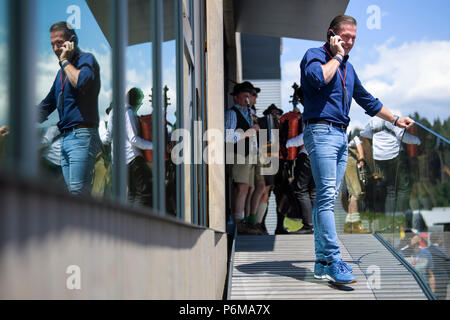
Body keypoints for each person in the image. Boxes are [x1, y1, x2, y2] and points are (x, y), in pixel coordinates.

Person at [300, 14, 414, 284]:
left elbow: (368, 101)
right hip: (321, 131)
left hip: (340, 135)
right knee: (326, 198)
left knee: (325, 199)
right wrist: (337, 56)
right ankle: (334, 259)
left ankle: (322, 262)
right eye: (345, 37)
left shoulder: (349, 70)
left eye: (353, 38)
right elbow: (317, 78)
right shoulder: (315, 55)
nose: (350, 42)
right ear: (333, 34)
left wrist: (396, 119)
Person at [38, 22, 101, 195]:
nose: (55, 48)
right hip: (66, 138)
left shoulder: (86, 59)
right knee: (73, 195)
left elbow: (81, 82)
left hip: (82, 136)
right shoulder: (60, 74)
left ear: (71, 41)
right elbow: (45, 107)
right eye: (52, 45)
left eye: (59, 43)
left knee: (78, 195)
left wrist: (65, 60)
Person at [102, 88, 154, 207]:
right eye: (140, 102)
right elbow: (134, 139)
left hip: (119, 161)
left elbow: (107, 138)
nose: (139, 105)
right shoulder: (127, 111)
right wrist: (153, 146)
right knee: (143, 193)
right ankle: (138, 222)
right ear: (136, 100)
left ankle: (131, 222)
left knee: (132, 193)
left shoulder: (112, 112)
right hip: (132, 158)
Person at [359, 117, 421, 216]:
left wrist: (378, 138)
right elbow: (403, 137)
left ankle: (390, 220)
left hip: (379, 158)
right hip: (394, 155)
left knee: (391, 189)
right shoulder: (394, 119)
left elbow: (363, 133)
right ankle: (400, 217)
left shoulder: (373, 122)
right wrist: (418, 141)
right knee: (403, 188)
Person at [225, 82, 261, 235]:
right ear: (236, 98)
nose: (248, 100)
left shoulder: (249, 113)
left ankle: (244, 221)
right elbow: (227, 136)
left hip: (249, 154)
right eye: (245, 96)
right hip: (238, 154)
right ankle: (238, 223)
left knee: (250, 188)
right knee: (242, 188)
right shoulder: (232, 113)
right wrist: (249, 132)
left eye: (249, 96)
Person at [341, 135, 370, 234]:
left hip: (346, 155)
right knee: (356, 192)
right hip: (350, 157)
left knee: (352, 192)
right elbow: (357, 141)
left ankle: (349, 224)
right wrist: (361, 158)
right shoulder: (349, 126)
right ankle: (356, 224)